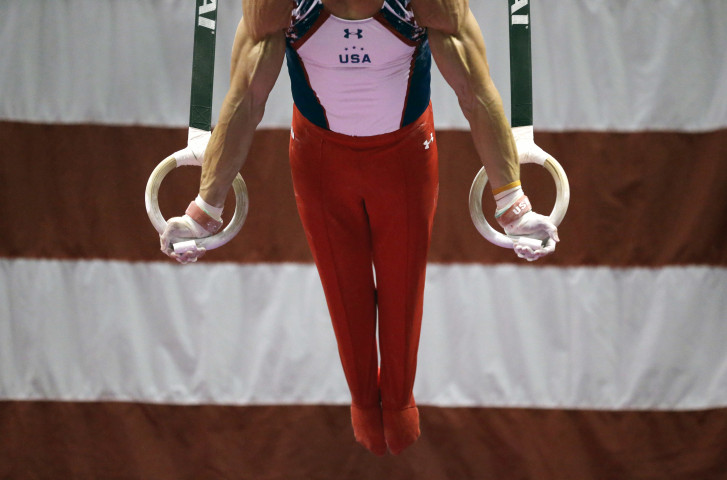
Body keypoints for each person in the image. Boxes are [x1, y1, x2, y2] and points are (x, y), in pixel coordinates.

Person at [160, 0, 559, 456]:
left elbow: (475, 90)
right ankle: (365, 407)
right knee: (343, 292)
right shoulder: (280, 5)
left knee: (401, 291)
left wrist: (513, 203)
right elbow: (246, 99)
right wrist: (204, 211)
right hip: (320, 161)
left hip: (405, 158)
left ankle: (399, 402)